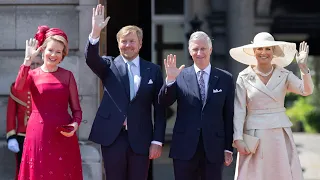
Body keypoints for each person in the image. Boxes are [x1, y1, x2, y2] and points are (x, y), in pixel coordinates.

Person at [85, 4, 166, 180]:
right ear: (118, 43)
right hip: (113, 136)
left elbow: (160, 110)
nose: (127, 45)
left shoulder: (153, 70)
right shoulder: (108, 65)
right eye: (124, 41)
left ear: (140, 44)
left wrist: (157, 141)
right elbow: (91, 59)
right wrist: (95, 32)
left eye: (132, 41)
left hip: (141, 137)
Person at [230, 32, 313, 180]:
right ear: (254, 52)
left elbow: (306, 90)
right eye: (260, 49)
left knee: (280, 173)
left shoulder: (284, 74)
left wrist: (303, 68)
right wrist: (238, 138)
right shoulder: (244, 76)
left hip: (278, 133)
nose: (264, 53)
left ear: (273, 52)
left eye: (268, 49)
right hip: (254, 134)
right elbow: (239, 109)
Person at [158, 31, 234, 180]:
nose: (199, 53)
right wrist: (170, 81)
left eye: (203, 49)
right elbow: (164, 102)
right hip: (184, 147)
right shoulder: (180, 75)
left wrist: (228, 148)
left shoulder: (225, 78)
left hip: (213, 148)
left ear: (210, 50)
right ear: (189, 51)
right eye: (195, 49)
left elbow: (228, 114)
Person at [14, 25, 83, 180]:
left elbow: (77, 110)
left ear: (63, 55)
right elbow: (18, 88)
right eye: (50, 50)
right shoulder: (32, 74)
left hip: (63, 134)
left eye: (58, 52)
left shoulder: (68, 76)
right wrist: (27, 60)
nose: (53, 55)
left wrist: (75, 125)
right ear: (43, 50)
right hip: (38, 133)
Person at [6, 57, 43, 180]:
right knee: (22, 171)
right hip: (22, 137)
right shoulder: (17, 87)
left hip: (42, 137)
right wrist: (11, 136)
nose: (34, 66)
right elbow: (11, 114)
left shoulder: (48, 84)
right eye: (32, 63)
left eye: (38, 63)